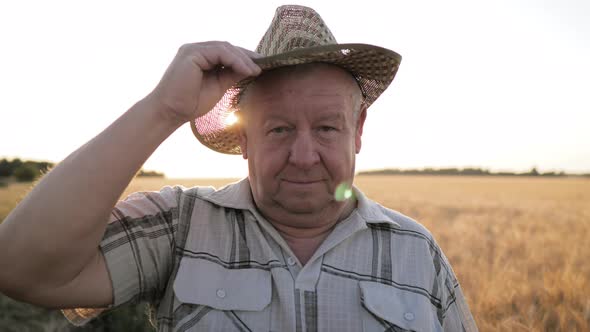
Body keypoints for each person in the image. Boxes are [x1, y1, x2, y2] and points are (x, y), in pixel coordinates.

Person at [0, 5, 477, 332]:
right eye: (279, 130)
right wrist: (162, 108)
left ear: (358, 130)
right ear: (244, 139)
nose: (305, 155)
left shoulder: (417, 251)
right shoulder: (181, 226)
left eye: (328, 129)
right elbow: (22, 268)